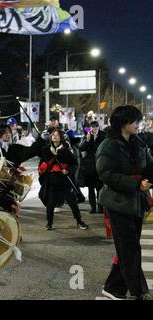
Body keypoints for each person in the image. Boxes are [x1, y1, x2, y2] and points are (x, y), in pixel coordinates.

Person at [97, 105, 153, 300]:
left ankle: (113, 287)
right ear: (123, 123)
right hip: (117, 203)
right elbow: (106, 174)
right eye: (135, 121)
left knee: (128, 247)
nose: (139, 124)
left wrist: (148, 180)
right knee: (130, 248)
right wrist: (137, 183)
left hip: (137, 203)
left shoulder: (138, 143)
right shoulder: (109, 145)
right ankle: (140, 293)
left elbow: (150, 168)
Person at [38, 128, 88, 231]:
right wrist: (43, 168)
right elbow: (42, 163)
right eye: (53, 135)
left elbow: (74, 164)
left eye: (57, 135)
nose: (54, 136)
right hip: (52, 181)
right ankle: (49, 223)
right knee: (50, 203)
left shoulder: (66, 150)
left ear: (61, 138)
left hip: (65, 181)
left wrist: (68, 170)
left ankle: (79, 221)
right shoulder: (47, 150)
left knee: (72, 202)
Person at [0, 124, 39, 210]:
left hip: (9, 187)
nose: (8, 135)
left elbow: (30, 151)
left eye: (9, 133)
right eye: (5, 133)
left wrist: (41, 140)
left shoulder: (12, 148)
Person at [78, 121, 106, 213]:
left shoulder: (104, 135)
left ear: (99, 127)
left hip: (100, 165)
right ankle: (93, 208)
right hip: (90, 166)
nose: (94, 128)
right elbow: (81, 148)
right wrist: (88, 139)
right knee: (90, 189)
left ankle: (100, 207)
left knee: (100, 189)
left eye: (95, 127)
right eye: (92, 127)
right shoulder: (87, 135)